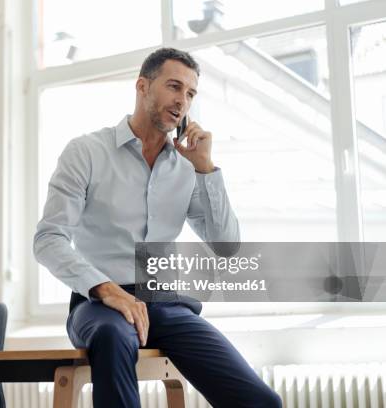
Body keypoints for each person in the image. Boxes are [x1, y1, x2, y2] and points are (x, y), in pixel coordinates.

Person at [33, 47, 282, 408]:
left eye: (191, 93)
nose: (182, 101)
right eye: (174, 87)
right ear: (143, 86)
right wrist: (106, 289)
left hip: (166, 305)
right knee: (112, 335)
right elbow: (49, 238)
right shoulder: (86, 152)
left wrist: (205, 170)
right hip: (99, 303)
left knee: (261, 402)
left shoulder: (187, 166)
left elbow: (227, 246)